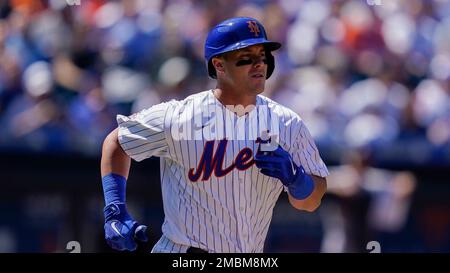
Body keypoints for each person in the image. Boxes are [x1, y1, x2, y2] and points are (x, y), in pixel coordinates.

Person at [100, 17, 329, 253]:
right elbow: (117, 141)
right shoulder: (180, 116)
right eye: (247, 57)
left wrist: (296, 178)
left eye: (263, 56)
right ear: (219, 65)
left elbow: (311, 202)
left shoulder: (287, 123)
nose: (259, 64)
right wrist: (114, 209)